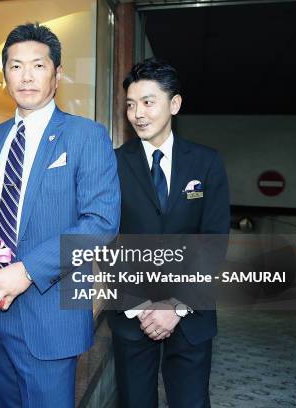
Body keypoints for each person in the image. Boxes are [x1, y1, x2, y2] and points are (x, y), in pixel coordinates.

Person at [0, 23, 120, 407]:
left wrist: (25, 271)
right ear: (4, 74)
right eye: (15, 66)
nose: (26, 76)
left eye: (38, 65)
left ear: (57, 74)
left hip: (51, 311)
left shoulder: (86, 135)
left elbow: (101, 223)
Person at [109, 58, 230, 408]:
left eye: (148, 102)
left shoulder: (206, 162)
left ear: (174, 104)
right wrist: (144, 307)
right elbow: (105, 239)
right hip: (133, 314)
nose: (138, 114)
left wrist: (175, 306)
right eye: (131, 105)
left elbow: (214, 241)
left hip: (192, 315)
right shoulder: (113, 163)